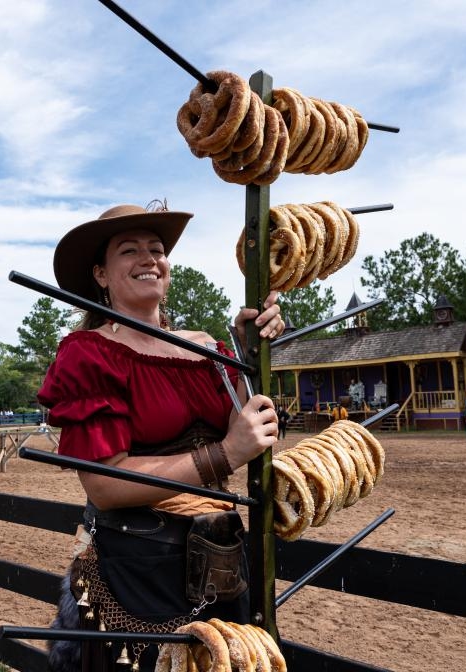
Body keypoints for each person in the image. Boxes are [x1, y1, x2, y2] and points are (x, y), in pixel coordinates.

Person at [37, 203, 285, 672]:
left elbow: (251, 423)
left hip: (225, 563)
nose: (149, 258)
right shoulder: (89, 354)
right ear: (101, 275)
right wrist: (227, 453)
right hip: (138, 574)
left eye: (157, 249)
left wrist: (252, 351)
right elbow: (105, 486)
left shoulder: (208, 347)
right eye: (129, 250)